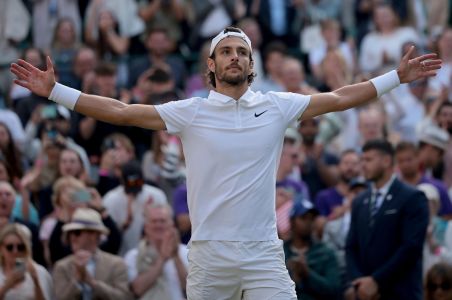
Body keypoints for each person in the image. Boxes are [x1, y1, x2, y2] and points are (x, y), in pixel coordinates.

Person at [10, 26, 441, 300]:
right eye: (227, 51)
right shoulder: (190, 111)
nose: (235, 56)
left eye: (242, 51)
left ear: (251, 65)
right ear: (211, 65)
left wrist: (395, 78)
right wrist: (56, 92)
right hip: (209, 254)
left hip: (263, 253)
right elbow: (122, 111)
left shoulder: (277, 105)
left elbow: (342, 96)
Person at [345, 139, 429, 300]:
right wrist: (359, 283)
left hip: (401, 292)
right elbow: (351, 246)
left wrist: (376, 280)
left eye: (369, 159)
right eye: (362, 160)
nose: (363, 165)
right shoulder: (359, 201)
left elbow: (411, 247)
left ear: (386, 161)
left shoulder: (413, 197)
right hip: (364, 294)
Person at [53, 207, 132, 300]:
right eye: (70, 233)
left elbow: (124, 297)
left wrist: (92, 283)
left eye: (77, 232)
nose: (72, 237)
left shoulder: (116, 264)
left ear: (94, 235)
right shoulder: (62, 267)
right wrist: (76, 281)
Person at [124, 202, 188, 300]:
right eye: (154, 221)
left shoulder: (187, 252)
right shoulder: (133, 256)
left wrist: (176, 256)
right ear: (146, 227)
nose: (158, 225)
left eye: (162, 221)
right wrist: (162, 259)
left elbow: (192, 290)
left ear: (172, 225)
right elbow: (136, 290)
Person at [0, 223, 53, 300]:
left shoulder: (39, 272)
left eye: (20, 247)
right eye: (10, 247)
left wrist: (35, 281)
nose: (15, 251)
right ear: (1, 248)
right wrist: (7, 286)